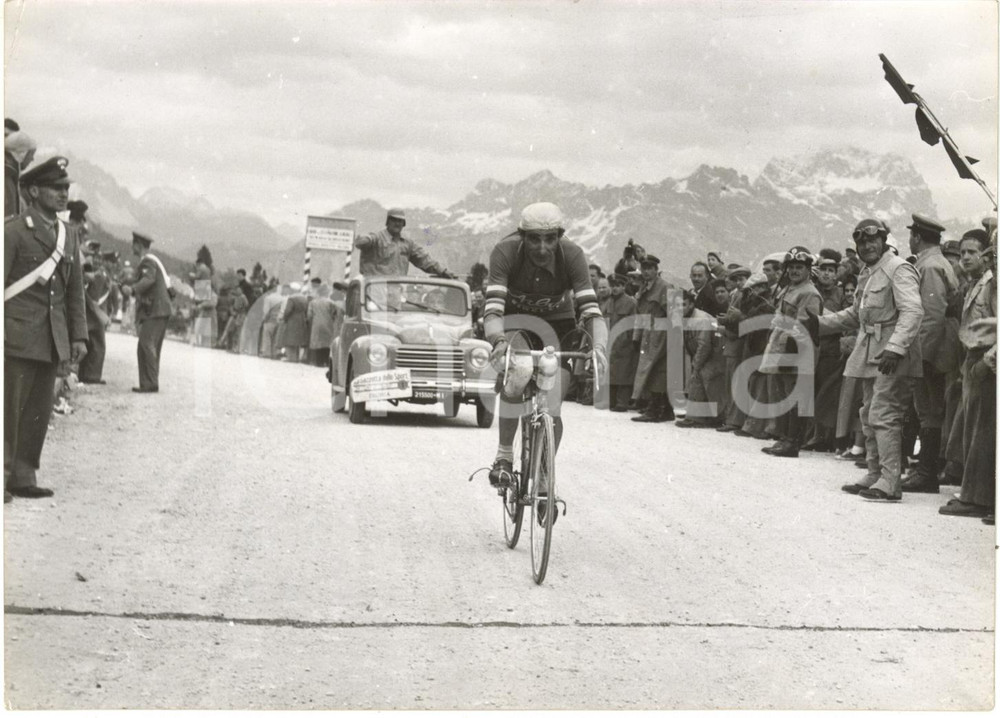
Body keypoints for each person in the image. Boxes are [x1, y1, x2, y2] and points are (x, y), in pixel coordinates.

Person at [483, 202, 608, 518]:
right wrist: (498, 341)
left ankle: (542, 474)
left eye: (550, 239)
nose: (542, 247)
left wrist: (599, 347)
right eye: (534, 239)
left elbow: (592, 311)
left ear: (559, 237)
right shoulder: (505, 251)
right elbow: (493, 310)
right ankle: (504, 456)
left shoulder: (573, 255)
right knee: (520, 370)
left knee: (553, 406)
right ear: (521, 236)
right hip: (515, 322)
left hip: (558, 325)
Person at [807, 219, 923, 502]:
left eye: (873, 240)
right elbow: (856, 315)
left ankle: (890, 481)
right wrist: (819, 324)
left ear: (883, 241)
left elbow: (913, 311)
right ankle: (874, 473)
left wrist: (895, 348)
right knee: (869, 414)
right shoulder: (868, 273)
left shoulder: (898, 269)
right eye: (862, 242)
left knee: (884, 414)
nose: (867, 246)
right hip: (871, 353)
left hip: (893, 355)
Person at [4, 156, 88, 501]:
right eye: (55, 187)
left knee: (38, 409)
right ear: (34, 191)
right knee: (8, 408)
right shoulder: (13, 231)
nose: (63, 193)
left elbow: (74, 290)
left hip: (51, 336)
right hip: (15, 334)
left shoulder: (68, 235)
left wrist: (78, 335)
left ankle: (23, 475)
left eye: (65, 187)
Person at [900, 214, 960, 494]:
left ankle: (926, 474)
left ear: (917, 237)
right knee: (928, 409)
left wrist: (921, 357)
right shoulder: (934, 263)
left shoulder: (931, 266)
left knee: (929, 409)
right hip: (937, 345)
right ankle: (926, 470)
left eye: (911, 236)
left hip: (933, 348)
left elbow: (932, 316)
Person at [939, 229, 995, 518]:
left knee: (982, 432)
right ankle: (974, 494)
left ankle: (980, 499)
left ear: (986, 256)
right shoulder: (975, 284)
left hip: (986, 362)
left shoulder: (991, 285)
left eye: (972, 252)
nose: (965, 258)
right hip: (972, 360)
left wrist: (986, 363)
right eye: (962, 253)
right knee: (972, 429)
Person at [757, 247, 823, 456]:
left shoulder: (809, 293)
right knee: (784, 394)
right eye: (791, 267)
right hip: (782, 345)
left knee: (795, 396)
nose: (794, 271)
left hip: (796, 349)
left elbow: (806, 326)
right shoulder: (789, 289)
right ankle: (785, 438)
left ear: (808, 269)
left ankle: (792, 442)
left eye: (799, 267)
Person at [124, 231, 172, 392]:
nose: (132, 247)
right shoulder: (152, 261)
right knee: (149, 345)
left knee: (146, 343)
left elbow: (148, 279)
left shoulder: (147, 261)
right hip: (160, 309)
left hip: (155, 310)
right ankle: (149, 382)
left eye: (134, 244)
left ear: (139, 245)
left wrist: (132, 289)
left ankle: (150, 383)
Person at [630, 255, 674, 422]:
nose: (646, 271)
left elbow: (676, 314)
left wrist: (674, 337)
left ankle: (655, 409)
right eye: (644, 268)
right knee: (653, 370)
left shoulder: (666, 287)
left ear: (656, 270)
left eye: (650, 268)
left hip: (662, 334)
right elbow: (641, 314)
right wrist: (636, 336)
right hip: (649, 333)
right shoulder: (644, 288)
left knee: (657, 371)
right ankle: (664, 409)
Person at [355, 208, 456, 278]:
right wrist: (364, 240)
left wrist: (443, 271)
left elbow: (424, 260)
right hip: (373, 290)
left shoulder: (407, 243)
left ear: (403, 224)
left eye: (400, 221)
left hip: (396, 291)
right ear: (388, 222)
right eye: (394, 220)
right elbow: (363, 241)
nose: (397, 223)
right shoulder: (377, 238)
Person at [676, 288, 727, 428]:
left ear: (691, 305)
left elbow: (704, 345)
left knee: (709, 383)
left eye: (683, 304)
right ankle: (696, 416)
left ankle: (717, 417)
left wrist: (696, 363)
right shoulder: (685, 317)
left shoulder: (701, 319)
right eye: (677, 305)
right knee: (698, 382)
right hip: (705, 353)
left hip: (715, 353)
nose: (680, 308)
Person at [601, 273, 637, 412]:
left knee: (624, 373)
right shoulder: (608, 302)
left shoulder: (631, 302)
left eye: (618, 285)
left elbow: (634, 323)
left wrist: (630, 339)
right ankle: (611, 400)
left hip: (625, 342)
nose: (615, 288)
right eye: (613, 285)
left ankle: (622, 402)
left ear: (624, 286)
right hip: (610, 341)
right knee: (611, 372)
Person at [5, 130, 36, 219]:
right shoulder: (7, 178)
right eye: (31, 154)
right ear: (22, 154)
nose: (32, 159)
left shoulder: (10, 177)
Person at [307, 283, 339, 367]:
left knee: (317, 343)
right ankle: (326, 361)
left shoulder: (313, 302)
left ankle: (318, 362)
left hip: (316, 325)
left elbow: (309, 315)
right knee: (327, 343)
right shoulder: (331, 302)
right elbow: (334, 314)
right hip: (328, 324)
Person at [281, 283, 310, 362]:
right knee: (298, 340)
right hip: (301, 320)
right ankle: (297, 358)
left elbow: (288, 310)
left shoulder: (292, 298)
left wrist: (285, 318)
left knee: (290, 339)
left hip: (292, 320)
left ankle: (291, 358)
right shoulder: (304, 298)